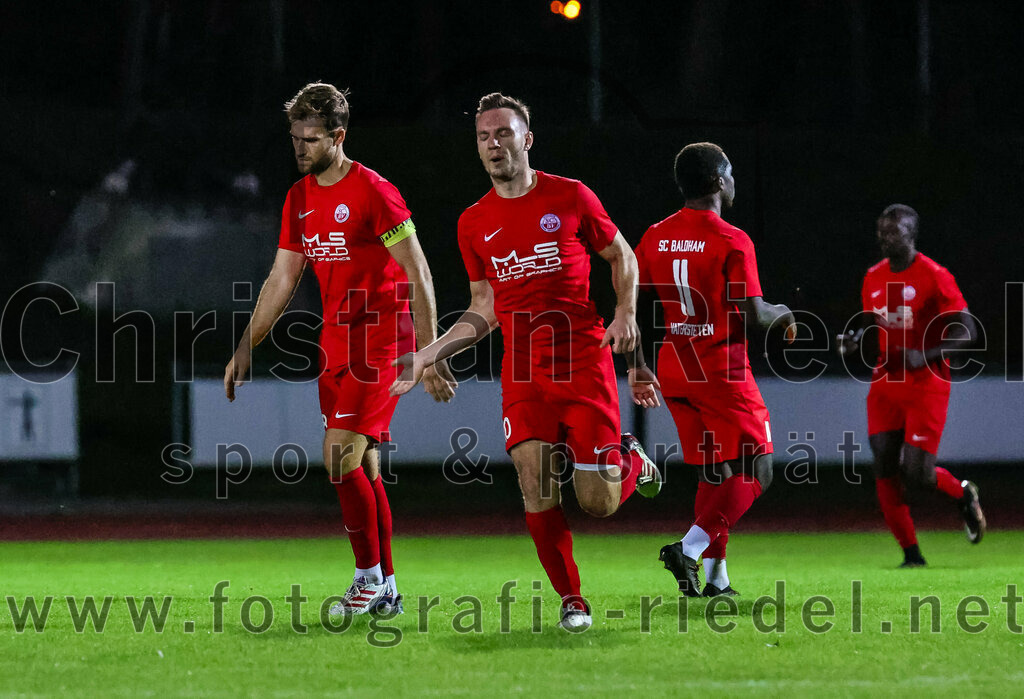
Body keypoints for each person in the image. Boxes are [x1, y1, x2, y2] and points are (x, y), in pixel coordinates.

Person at [390, 92, 661, 631]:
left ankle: (629, 461)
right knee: (533, 480)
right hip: (523, 372)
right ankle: (572, 600)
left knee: (598, 503)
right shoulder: (473, 223)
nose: (494, 145)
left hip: (583, 363)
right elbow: (484, 308)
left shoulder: (571, 196)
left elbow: (622, 255)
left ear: (527, 139)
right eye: (484, 137)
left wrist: (626, 312)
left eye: (504, 134)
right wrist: (428, 353)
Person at [224, 82, 455, 615]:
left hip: (383, 342)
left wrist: (430, 351)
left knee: (337, 454)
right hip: (335, 344)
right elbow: (282, 278)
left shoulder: (374, 191)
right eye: (294, 139)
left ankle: (366, 578)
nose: (300, 149)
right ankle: (389, 589)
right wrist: (246, 346)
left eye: (310, 139)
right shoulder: (299, 199)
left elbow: (417, 272)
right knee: (365, 467)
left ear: (338, 136)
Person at [634, 142, 796, 597]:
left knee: (715, 474)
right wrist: (783, 313)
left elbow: (632, 302)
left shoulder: (655, 235)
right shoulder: (731, 239)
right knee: (758, 469)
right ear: (720, 182)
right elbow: (754, 314)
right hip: (720, 370)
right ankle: (687, 547)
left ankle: (714, 579)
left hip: (675, 369)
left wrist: (637, 364)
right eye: (731, 173)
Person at [837, 204, 984, 567]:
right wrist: (854, 341)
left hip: (927, 382)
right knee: (884, 462)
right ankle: (911, 555)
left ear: (911, 234)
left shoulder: (935, 275)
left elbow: (969, 330)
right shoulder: (872, 276)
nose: (885, 239)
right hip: (886, 380)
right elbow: (877, 326)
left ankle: (963, 494)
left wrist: (928, 353)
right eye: (881, 232)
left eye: (893, 232)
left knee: (917, 472)